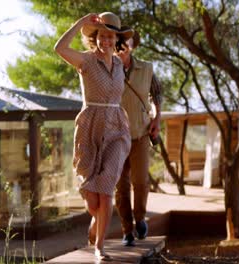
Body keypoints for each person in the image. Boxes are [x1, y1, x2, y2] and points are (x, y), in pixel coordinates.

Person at [54, 12, 133, 260]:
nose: (106, 41)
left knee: (107, 187)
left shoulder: (121, 64)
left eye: (111, 36)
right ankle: (96, 219)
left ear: (116, 39)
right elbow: (59, 47)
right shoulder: (85, 61)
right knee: (93, 198)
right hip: (90, 127)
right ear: (95, 38)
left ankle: (100, 246)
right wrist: (80, 23)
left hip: (116, 129)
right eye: (102, 36)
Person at [115, 29, 162, 246]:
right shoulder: (108, 67)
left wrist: (157, 119)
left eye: (127, 42)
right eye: (120, 42)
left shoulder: (147, 68)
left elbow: (157, 92)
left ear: (133, 45)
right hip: (115, 136)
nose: (123, 46)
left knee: (141, 181)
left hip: (141, 133)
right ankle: (127, 230)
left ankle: (140, 218)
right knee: (120, 186)